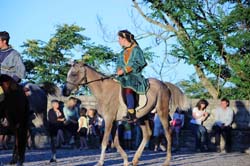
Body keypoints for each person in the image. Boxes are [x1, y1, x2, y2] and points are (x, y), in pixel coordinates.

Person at [116, 30, 149, 121]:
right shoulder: (122, 52)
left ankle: (131, 112)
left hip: (134, 76)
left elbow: (140, 63)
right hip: (122, 76)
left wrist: (125, 70)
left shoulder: (136, 50)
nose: (118, 41)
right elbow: (119, 63)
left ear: (125, 39)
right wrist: (118, 70)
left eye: (119, 39)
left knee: (128, 85)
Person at [0, 31, 25, 102]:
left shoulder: (14, 54)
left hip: (9, 83)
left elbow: (21, 71)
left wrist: (12, 81)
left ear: (4, 41)